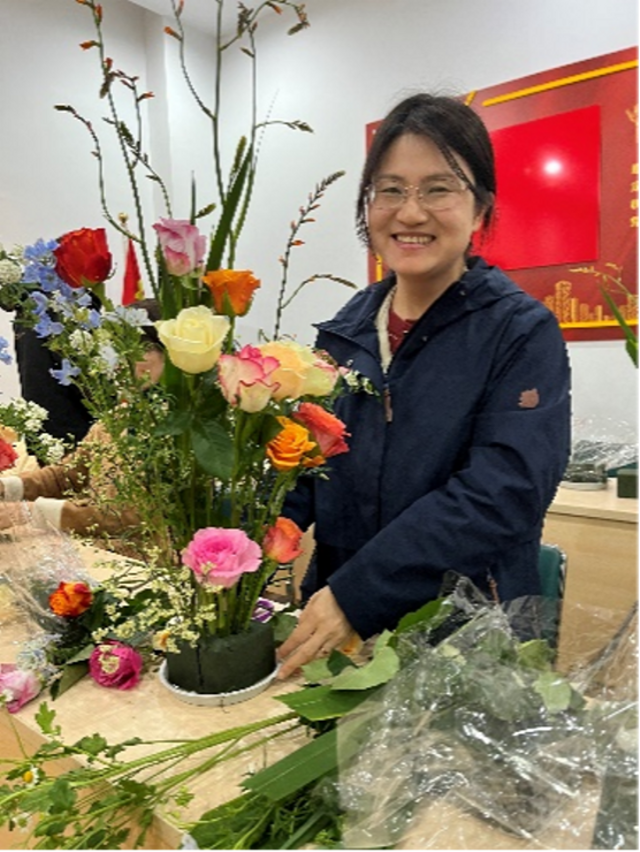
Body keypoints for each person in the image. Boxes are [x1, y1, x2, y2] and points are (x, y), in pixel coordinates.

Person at [277, 93, 571, 678]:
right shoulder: (344, 334)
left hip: (464, 633)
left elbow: (502, 494)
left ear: (480, 208)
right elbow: (308, 468)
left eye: (438, 189)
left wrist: (357, 593)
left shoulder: (520, 332)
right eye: (390, 190)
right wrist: (241, 536)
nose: (410, 213)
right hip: (339, 626)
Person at [0, 299, 163, 545]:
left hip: (151, 562)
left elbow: (129, 518)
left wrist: (32, 512)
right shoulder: (117, 419)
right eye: (119, 347)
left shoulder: (180, 432)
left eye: (140, 347)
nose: (124, 360)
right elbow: (67, 475)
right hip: (102, 554)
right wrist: (7, 488)